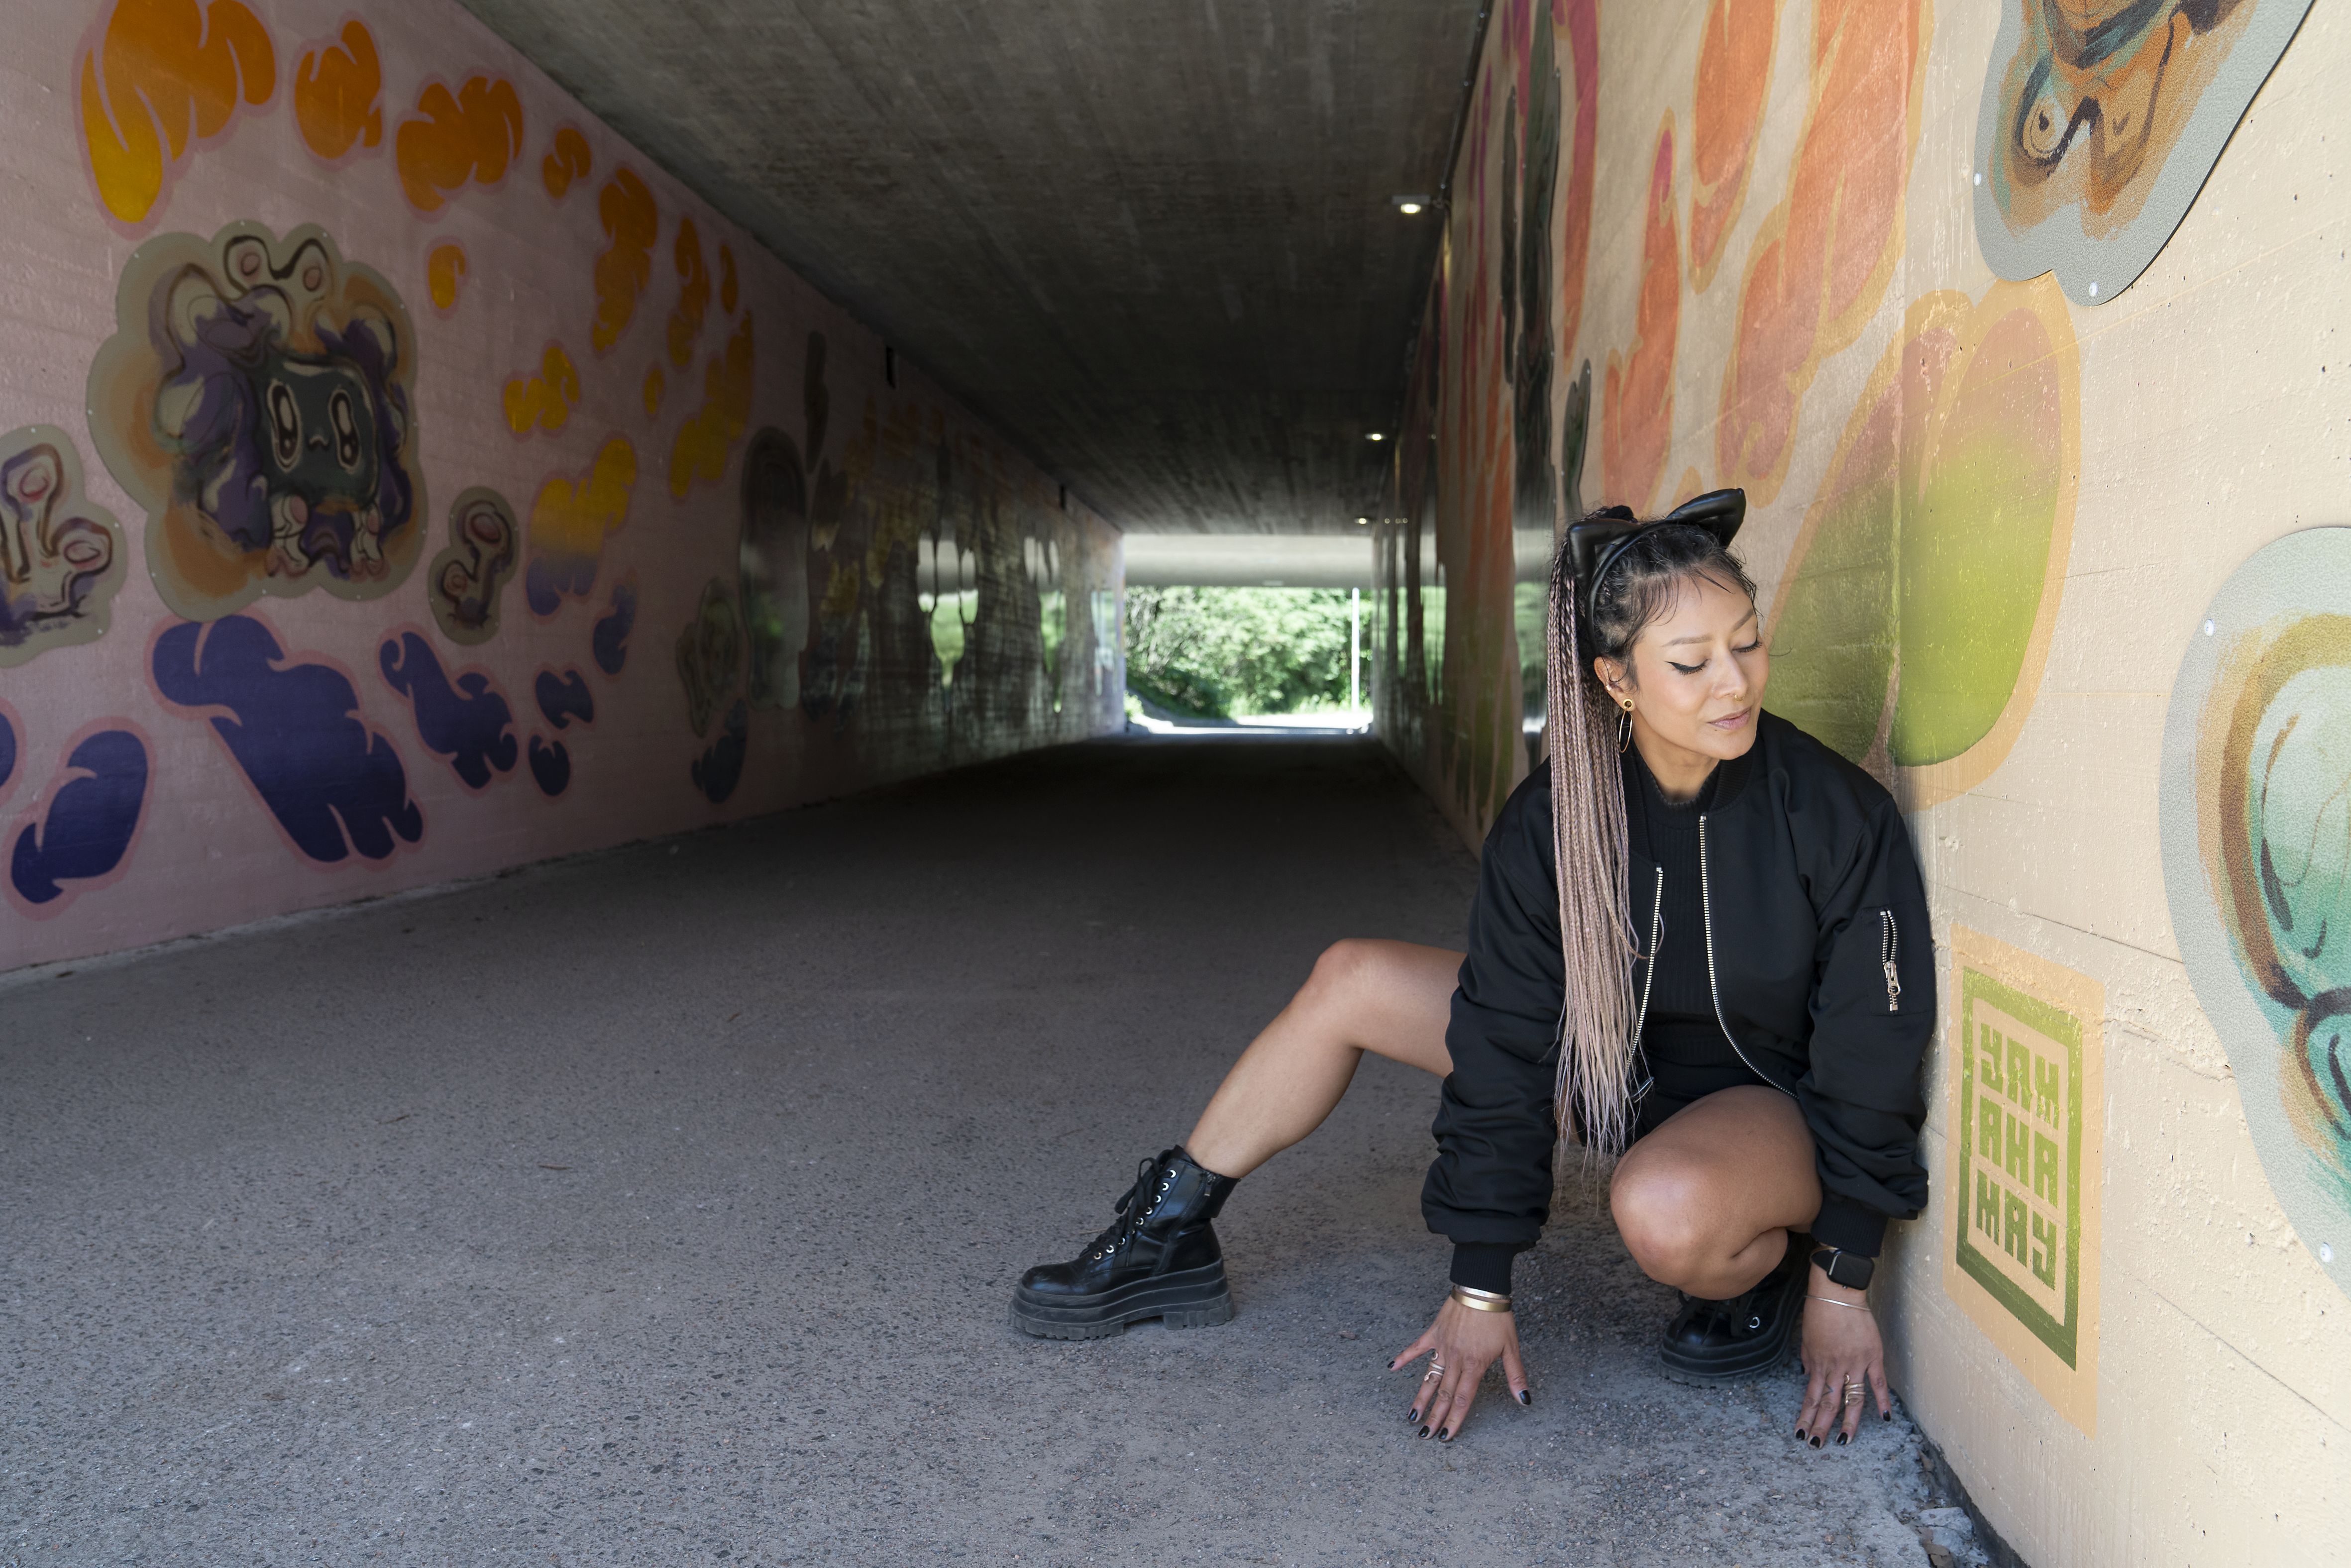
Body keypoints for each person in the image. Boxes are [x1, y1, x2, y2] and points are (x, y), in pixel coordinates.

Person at [1010, 491, 1933, 1451]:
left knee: (1664, 1212)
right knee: (1351, 977)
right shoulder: (1556, 817)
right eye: (1692, 663)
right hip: (1609, 1070)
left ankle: (1756, 1267)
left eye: (1747, 644)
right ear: (1617, 681)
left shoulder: (1832, 812)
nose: (1735, 684)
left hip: (1762, 1108)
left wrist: (1841, 1282)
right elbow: (1503, 1039)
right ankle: (1168, 1232)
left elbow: (1873, 1049)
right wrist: (1480, 1284)